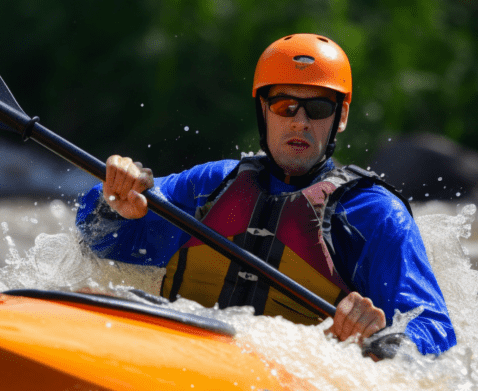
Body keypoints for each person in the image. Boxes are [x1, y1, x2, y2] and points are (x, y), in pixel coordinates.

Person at [75, 34, 456, 355]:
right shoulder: (212, 185)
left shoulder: (373, 214)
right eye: (284, 105)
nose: (300, 120)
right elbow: (103, 244)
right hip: (185, 353)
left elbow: (436, 332)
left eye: (319, 107)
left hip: (292, 385)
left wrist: (384, 340)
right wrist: (114, 201)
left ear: (340, 117)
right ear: (263, 109)